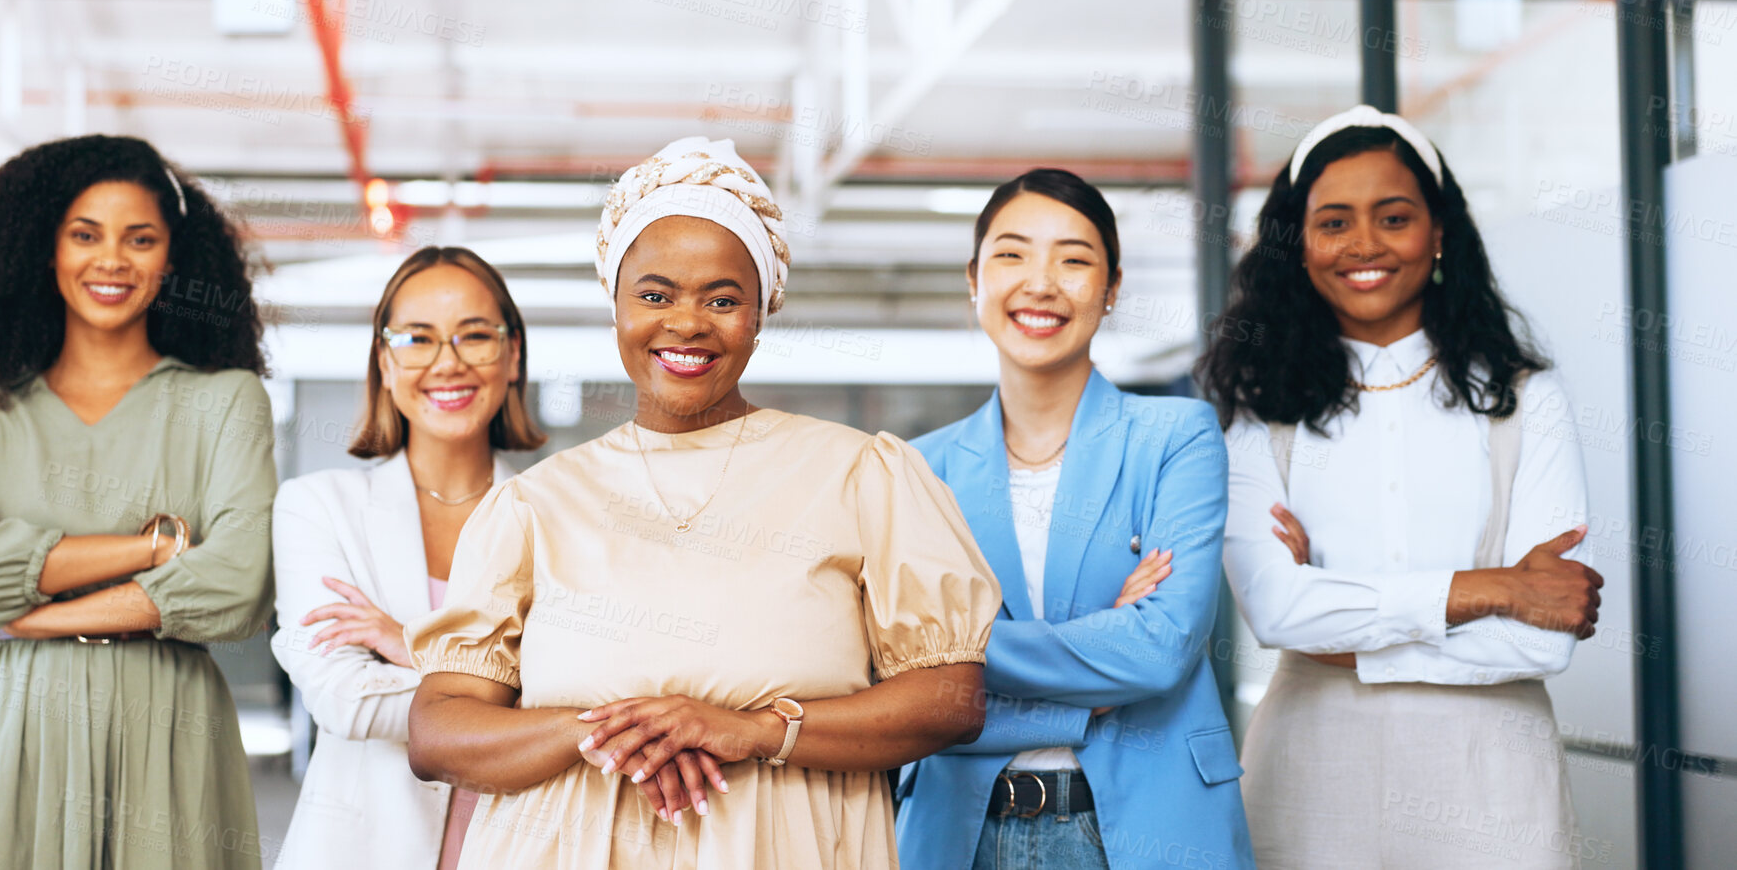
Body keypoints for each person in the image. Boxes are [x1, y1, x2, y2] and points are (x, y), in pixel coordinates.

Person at [400, 136, 1001, 869]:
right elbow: (437, 733)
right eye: (654, 294)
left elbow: (951, 699)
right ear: (614, 303)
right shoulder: (534, 505)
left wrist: (751, 729)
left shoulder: (858, 474)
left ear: (760, 311)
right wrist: (607, 728)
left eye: (722, 299)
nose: (686, 323)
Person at [1199, 105, 1603, 869]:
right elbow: (1279, 611)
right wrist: (1492, 586)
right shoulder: (1259, 407)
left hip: (1493, 780)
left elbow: (1541, 638)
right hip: (1312, 777)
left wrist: (1343, 627)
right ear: (1298, 244)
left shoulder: (1524, 399)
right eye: (1333, 223)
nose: (1363, 245)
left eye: (1393, 217)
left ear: (1439, 231)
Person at [0, 135, 276, 869]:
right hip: (15, 725)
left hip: (167, 720)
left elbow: (238, 584)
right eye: (86, 234)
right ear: (46, 249)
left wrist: (30, 608)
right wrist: (159, 550)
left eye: (139, 238)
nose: (112, 259)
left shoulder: (226, 401)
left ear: (171, 258)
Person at [896, 169, 1256, 870]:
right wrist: (1086, 686)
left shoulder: (1175, 437)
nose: (1040, 282)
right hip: (960, 834)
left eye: (1073, 258)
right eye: (1011, 254)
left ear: (1111, 287)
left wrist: (971, 652)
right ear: (973, 278)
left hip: (1153, 824)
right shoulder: (917, 469)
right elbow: (898, 674)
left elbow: (1160, 645)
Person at [270, 246, 547, 869]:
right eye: (417, 339)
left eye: (475, 336)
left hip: (520, 844)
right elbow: (345, 700)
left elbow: (599, 687)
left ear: (513, 356)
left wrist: (408, 643)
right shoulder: (317, 508)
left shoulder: (558, 515)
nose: (447, 363)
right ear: (385, 362)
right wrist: (524, 688)